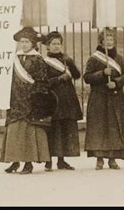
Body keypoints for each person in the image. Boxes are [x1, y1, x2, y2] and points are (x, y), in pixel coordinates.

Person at [0, 27, 57, 175]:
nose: (24, 44)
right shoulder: (15, 58)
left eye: (27, 42)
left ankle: (28, 163)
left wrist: (34, 96)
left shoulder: (38, 60)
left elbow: (42, 82)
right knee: (14, 132)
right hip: (15, 100)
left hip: (29, 101)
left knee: (28, 134)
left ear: (33, 44)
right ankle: (14, 161)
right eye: (22, 42)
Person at [84, 28, 124, 170]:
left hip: (115, 97)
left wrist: (116, 83)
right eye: (106, 40)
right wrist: (102, 73)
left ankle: (112, 159)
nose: (109, 42)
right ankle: (99, 159)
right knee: (99, 128)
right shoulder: (94, 58)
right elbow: (87, 77)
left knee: (113, 127)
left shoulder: (120, 59)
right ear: (101, 42)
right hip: (98, 97)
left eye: (111, 39)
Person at [42, 31, 83, 171]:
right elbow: (43, 83)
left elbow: (77, 76)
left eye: (58, 44)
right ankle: (49, 161)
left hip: (67, 100)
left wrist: (71, 63)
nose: (56, 46)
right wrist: (59, 79)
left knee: (64, 129)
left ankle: (61, 160)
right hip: (53, 100)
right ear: (47, 46)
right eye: (53, 44)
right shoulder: (45, 62)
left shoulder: (66, 61)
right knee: (53, 130)